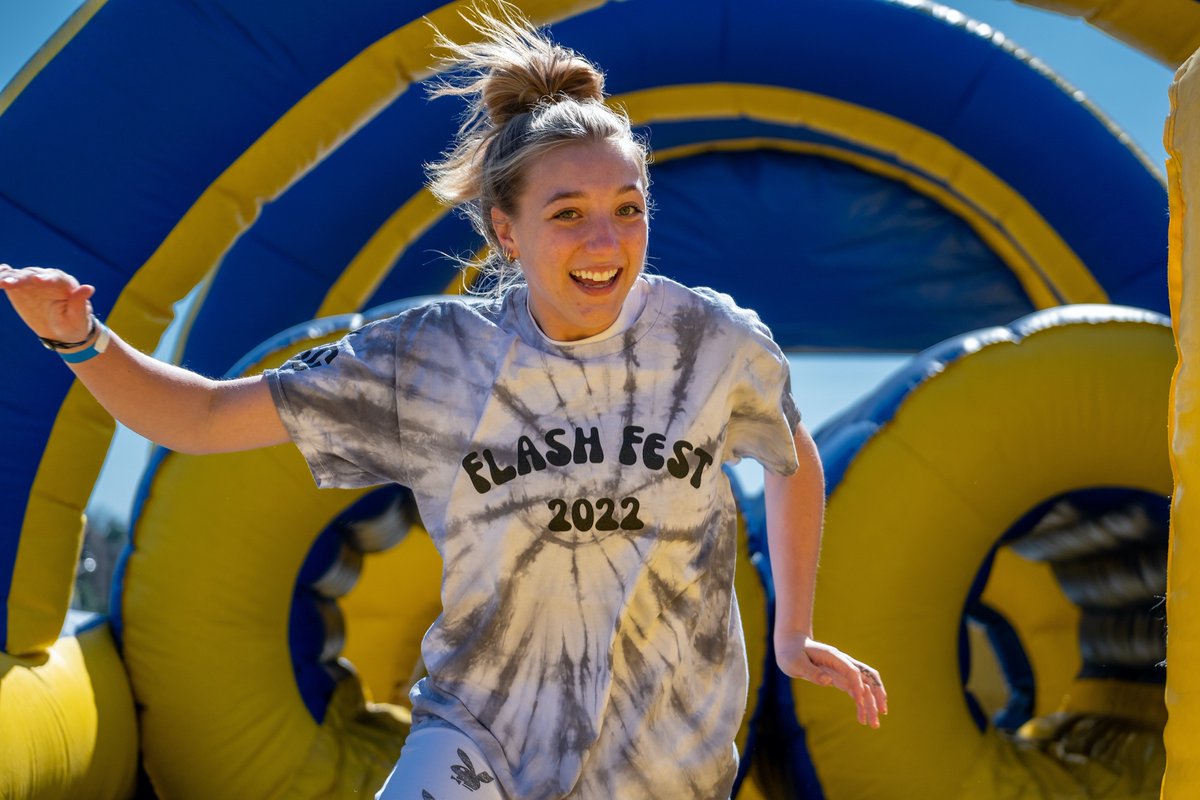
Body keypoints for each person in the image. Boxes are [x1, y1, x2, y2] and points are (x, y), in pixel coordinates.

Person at [1, 7, 886, 799]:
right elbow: (196, 420)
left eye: (627, 207)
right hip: (479, 738)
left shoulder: (708, 340)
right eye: (569, 213)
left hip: (666, 755)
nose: (606, 239)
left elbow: (790, 451)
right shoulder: (435, 358)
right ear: (507, 229)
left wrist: (794, 631)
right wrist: (81, 339)